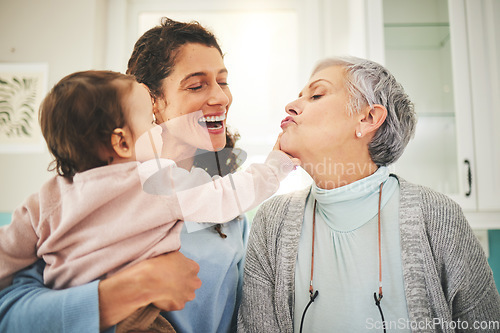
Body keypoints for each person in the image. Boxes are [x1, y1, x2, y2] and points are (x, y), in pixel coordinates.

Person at [0, 18, 269, 333]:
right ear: (151, 100)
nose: (221, 98)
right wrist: (126, 291)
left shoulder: (230, 212)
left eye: (222, 82)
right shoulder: (86, 198)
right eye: (197, 85)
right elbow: (9, 313)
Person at [237, 56, 500, 332]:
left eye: (316, 95)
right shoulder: (271, 222)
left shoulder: (437, 216)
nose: (291, 105)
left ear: (368, 118)